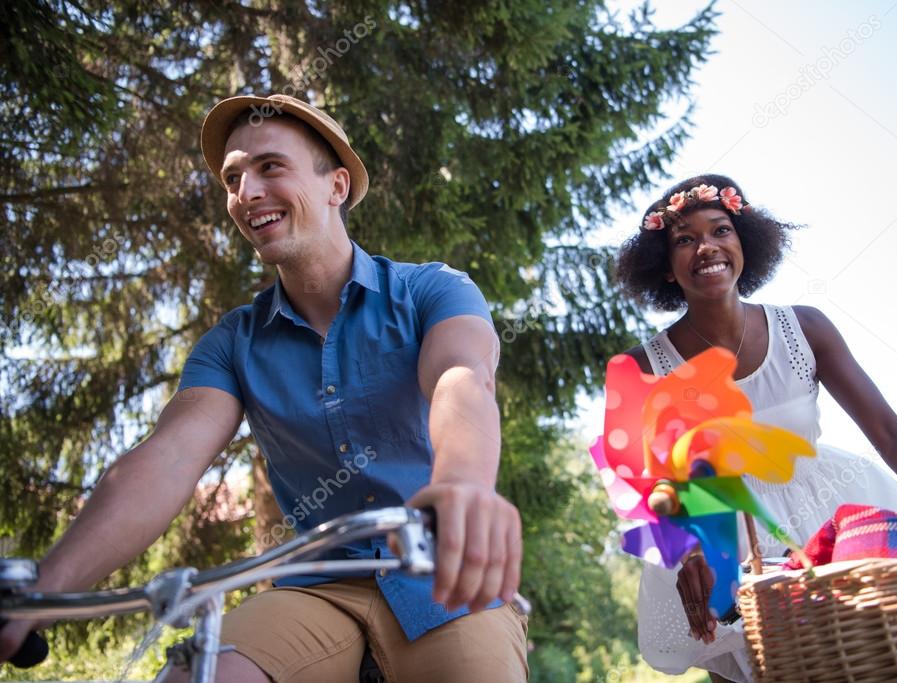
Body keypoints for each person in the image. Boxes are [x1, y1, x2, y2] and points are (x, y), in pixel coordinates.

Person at [0, 94, 528, 682]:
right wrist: (43, 589)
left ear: (337, 186)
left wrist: (461, 488)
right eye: (233, 178)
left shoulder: (434, 291)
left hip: (444, 577)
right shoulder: (231, 344)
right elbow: (168, 458)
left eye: (270, 167)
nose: (245, 192)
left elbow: (461, 377)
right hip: (315, 589)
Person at [614, 174, 897, 683]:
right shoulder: (645, 367)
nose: (706, 248)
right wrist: (688, 549)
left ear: (745, 244)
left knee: (884, 663)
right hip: (724, 545)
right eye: (684, 240)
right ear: (666, 268)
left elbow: (888, 431)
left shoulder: (804, 329)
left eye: (721, 231)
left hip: (834, 520)